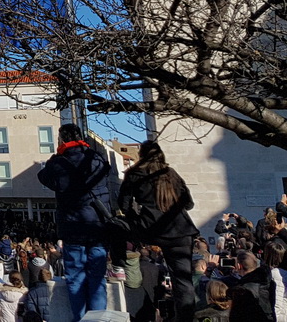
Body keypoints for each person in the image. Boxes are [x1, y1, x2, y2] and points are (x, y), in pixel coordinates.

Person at [36, 123, 112, 321]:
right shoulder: (96, 158)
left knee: (76, 279)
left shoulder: (58, 164)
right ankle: (98, 318)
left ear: (62, 140)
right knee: (97, 278)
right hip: (97, 226)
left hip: (73, 228)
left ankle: (80, 318)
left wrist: (54, 158)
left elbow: (43, 177)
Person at [118, 140, 200, 322]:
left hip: (151, 229)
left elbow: (123, 205)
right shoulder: (170, 174)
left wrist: (136, 219)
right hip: (180, 230)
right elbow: (189, 203)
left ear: (141, 155)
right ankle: (185, 318)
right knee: (183, 281)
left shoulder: (134, 174)